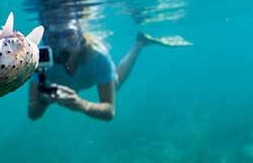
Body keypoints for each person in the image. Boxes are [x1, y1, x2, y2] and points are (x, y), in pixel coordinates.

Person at [27, 20, 187, 121]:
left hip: (89, 74)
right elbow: (33, 114)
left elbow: (109, 111)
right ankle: (139, 43)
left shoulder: (96, 56)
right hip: (75, 79)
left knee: (114, 84)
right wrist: (43, 101)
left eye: (69, 36)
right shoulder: (41, 57)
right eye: (54, 37)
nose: (62, 44)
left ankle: (139, 44)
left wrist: (82, 105)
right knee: (112, 86)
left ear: (81, 37)